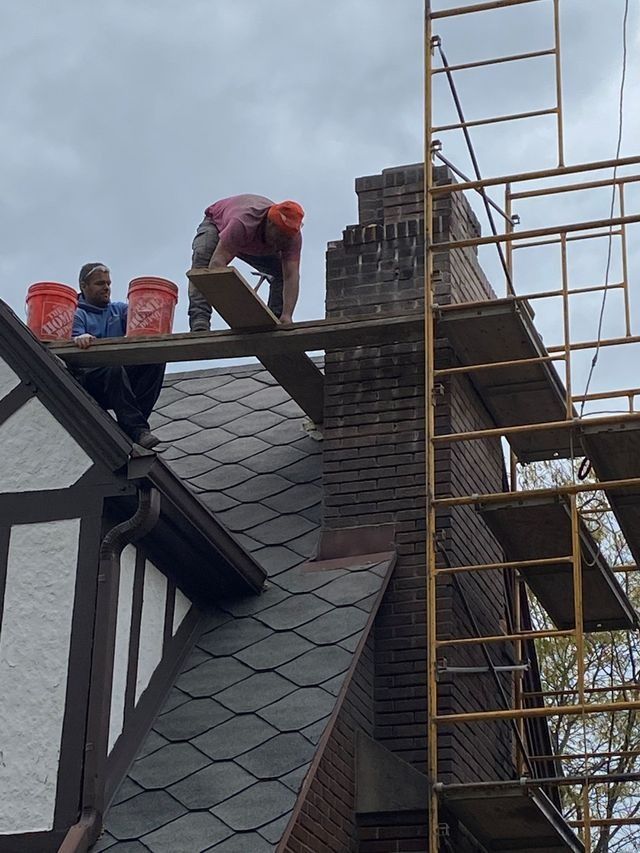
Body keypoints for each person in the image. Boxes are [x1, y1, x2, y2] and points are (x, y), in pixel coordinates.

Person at [71, 263, 165, 450]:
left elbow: (141, 316)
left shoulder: (117, 310)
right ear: (84, 286)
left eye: (108, 283)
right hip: (90, 383)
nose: (106, 287)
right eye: (99, 283)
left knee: (156, 359)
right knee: (112, 367)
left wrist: (151, 307)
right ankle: (137, 430)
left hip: (117, 381)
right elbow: (72, 337)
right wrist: (79, 339)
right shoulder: (76, 313)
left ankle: (133, 423)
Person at [188, 194, 304, 331]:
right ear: (270, 223)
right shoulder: (243, 221)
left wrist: (287, 315)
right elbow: (217, 265)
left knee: (280, 273)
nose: (282, 242)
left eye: (286, 238)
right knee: (203, 266)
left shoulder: (292, 237)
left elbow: (291, 276)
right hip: (218, 225)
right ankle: (200, 321)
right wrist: (240, 307)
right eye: (279, 236)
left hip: (251, 242)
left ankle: (276, 322)